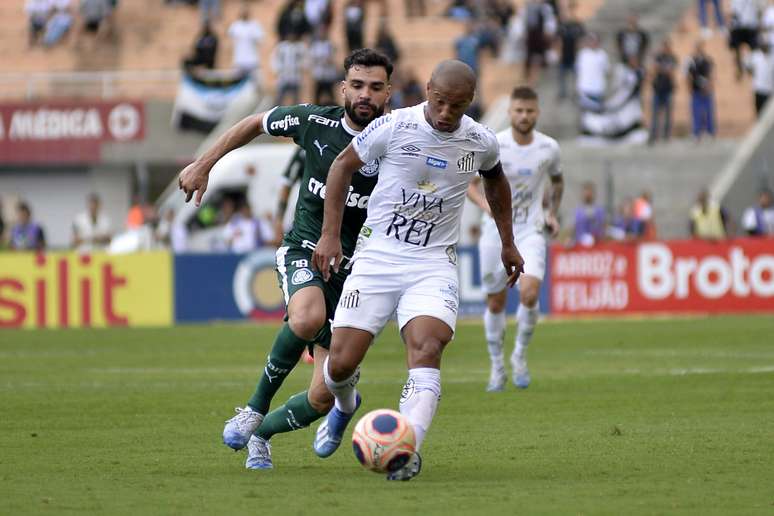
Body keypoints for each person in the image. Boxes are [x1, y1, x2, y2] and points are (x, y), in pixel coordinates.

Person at [178, 49, 393, 470]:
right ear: (343, 88)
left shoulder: (399, 138)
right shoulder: (315, 121)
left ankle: (262, 434)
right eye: (358, 85)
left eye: (375, 87)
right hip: (305, 249)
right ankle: (254, 408)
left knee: (322, 395)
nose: (365, 94)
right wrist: (204, 164)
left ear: (389, 92)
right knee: (307, 317)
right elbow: (254, 122)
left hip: (357, 274)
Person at [310, 60, 524, 481]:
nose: (446, 114)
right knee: (338, 365)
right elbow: (340, 167)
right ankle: (344, 406)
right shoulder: (394, 126)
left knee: (427, 350)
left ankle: (406, 450)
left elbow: (495, 181)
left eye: (457, 107)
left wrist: (508, 240)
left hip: (432, 264)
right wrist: (331, 235)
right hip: (377, 258)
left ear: (470, 103)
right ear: (427, 89)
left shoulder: (480, 141)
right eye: (440, 102)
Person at [466, 86, 562, 391]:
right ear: (510, 113)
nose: (524, 116)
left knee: (530, 293)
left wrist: (552, 212)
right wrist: (486, 207)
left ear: (537, 113)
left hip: (530, 229)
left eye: (529, 111)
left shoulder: (549, 148)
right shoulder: (495, 144)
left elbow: (558, 182)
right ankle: (497, 366)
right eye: (518, 110)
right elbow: (470, 184)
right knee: (495, 301)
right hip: (495, 232)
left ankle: (519, 355)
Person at [649, 39, 678, 144]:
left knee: (668, 114)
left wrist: (663, 69)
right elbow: (655, 68)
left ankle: (666, 135)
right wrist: (664, 69)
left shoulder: (673, 58)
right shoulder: (658, 57)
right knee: (655, 114)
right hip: (657, 89)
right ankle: (654, 135)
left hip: (668, 89)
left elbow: (671, 71)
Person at [686, 40, 715, 141]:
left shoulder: (707, 61)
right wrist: (689, 88)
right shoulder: (692, 61)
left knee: (708, 112)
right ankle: (696, 132)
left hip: (706, 90)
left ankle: (710, 132)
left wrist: (709, 87)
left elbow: (711, 75)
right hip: (696, 90)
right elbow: (689, 76)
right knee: (696, 113)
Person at [557, 1, 585, 100]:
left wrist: (579, 54)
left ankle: (576, 93)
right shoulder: (562, 25)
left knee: (576, 76)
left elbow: (581, 40)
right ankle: (562, 93)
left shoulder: (578, 25)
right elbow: (559, 40)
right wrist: (559, 54)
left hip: (574, 56)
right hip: (564, 55)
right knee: (562, 77)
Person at [228, 4, 264, 78]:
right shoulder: (235, 25)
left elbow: (260, 39)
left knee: (256, 81)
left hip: (252, 60)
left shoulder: (255, 25)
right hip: (239, 60)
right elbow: (230, 36)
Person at [272, 32, 307, 106]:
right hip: (283, 76)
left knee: (296, 98)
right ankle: (276, 111)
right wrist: (278, 69)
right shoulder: (281, 46)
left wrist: (301, 67)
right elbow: (275, 58)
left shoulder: (300, 47)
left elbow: (305, 60)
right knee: (279, 97)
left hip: (295, 76)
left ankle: (296, 113)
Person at [576, 33, 609, 110]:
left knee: (597, 114)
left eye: (595, 41)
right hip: (585, 88)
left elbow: (606, 70)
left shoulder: (602, 54)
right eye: (591, 41)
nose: (593, 43)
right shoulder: (582, 54)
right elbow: (578, 69)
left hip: (598, 89)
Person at [745, 41, 774, 116]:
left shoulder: (772, 57)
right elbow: (748, 66)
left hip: (769, 90)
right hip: (758, 89)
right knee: (759, 111)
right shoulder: (756, 56)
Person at [573, 182, 605, 246]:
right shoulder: (578, 211)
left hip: (597, 244)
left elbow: (602, 227)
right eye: (585, 192)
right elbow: (574, 228)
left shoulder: (599, 211)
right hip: (580, 244)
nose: (587, 194)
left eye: (589, 192)